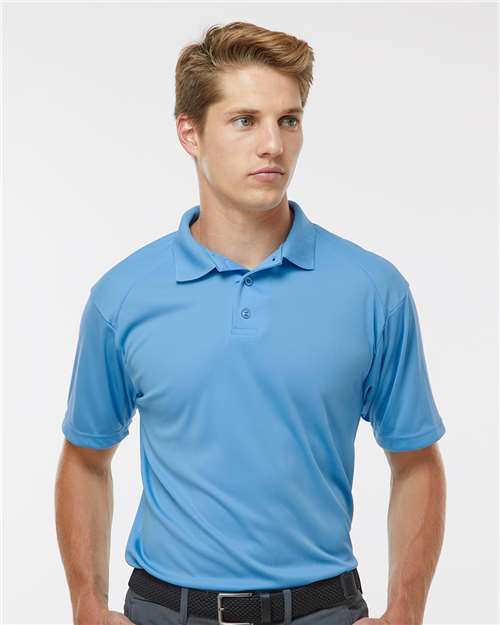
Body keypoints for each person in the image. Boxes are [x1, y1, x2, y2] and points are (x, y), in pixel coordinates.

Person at [55, 20, 447, 625]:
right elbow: (85, 458)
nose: (273, 145)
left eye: (288, 120)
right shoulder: (123, 297)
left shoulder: (373, 290)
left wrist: (406, 612)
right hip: (165, 610)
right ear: (190, 133)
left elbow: (415, 460)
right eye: (245, 120)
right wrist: (86, 605)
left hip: (323, 610)